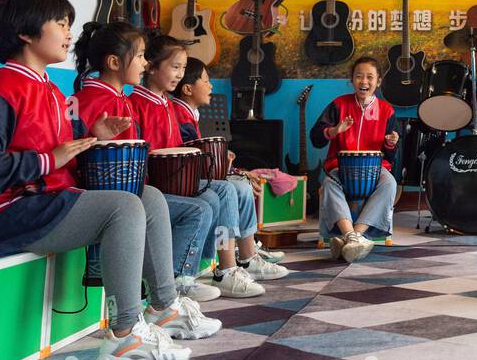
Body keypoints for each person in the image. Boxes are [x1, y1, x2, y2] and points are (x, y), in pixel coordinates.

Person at [0, 0, 213, 360]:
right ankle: (124, 334)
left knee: (148, 195)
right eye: (60, 24)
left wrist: (94, 134)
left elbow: (61, 147)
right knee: (123, 207)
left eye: (68, 25)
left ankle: (163, 306)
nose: (68, 33)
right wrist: (49, 159)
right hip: (1, 214)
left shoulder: (50, 91)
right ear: (26, 34)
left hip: (41, 203)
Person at [130, 35, 283, 298]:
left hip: (175, 181)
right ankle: (215, 268)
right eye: (174, 67)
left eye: (182, 68)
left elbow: (181, 149)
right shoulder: (140, 103)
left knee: (226, 189)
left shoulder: (165, 103)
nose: (178, 74)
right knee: (225, 190)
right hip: (157, 185)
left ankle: (230, 265)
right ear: (151, 67)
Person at [171, 57, 289, 273]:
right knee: (235, 187)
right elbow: (190, 163)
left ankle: (247, 255)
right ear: (188, 89)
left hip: (197, 177)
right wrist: (230, 170)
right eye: (206, 81)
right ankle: (229, 266)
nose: (211, 86)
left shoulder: (188, 114)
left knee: (241, 185)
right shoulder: (180, 116)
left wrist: (232, 169)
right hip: (186, 182)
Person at [310, 57, 400, 263]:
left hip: (375, 169)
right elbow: (315, 137)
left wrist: (391, 142)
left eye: (370, 77)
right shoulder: (339, 104)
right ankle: (351, 235)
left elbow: (392, 156)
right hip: (340, 166)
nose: (364, 81)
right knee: (329, 184)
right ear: (352, 80)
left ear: (378, 81)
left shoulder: (387, 110)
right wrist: (335, 130)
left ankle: (354, 236)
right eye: (359, 76)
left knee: (390, 183)